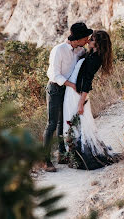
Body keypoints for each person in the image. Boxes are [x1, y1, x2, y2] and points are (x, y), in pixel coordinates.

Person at [62, 30, 121, 170]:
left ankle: (81, 156)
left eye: (92, 39)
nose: (88, 41)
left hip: (78, 94)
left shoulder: (95, 59)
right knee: (74, 123)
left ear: (98, 43)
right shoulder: (91, 54)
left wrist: (81, 102)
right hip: (73, 91)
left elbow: (87, 81)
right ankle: (75, 155)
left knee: (77, 122)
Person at [43, 22, 92, 172]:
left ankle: (62, 154)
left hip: (67, 90)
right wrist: (71, 85)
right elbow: (53, 74)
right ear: (77, 39)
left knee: (62, 122)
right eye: (85, 38)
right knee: (52, 123)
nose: (87, 41)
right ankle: (46, 161)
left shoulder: (79, 51)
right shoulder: (59, 50)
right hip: (55, 88)